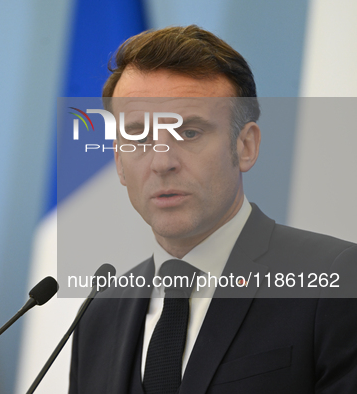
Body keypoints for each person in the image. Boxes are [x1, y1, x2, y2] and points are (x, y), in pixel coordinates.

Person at [69, 25, 357, 394]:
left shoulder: (333, 282)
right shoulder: (99, 314)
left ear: (246, 146)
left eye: (189, 133)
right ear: (119, 162)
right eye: (139, 136)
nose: (162, 163)